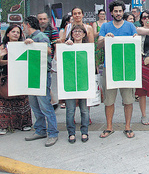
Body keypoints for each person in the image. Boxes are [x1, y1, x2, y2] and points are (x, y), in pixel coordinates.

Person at [97, 0, 138, 139]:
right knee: (109, 101)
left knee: (128, 100)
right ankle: (109, 127)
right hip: (110, 68)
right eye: (116, 11)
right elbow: (98, 45)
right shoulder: (105, 26)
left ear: (123, 12)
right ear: (111, 12)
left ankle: (128, 127)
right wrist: (105, 39)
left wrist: (135, 39)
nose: (118, 13)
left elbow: (136, 43)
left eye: (120, 11)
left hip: (127, 69)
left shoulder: (131, 26)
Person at [23, 16, 59, 147]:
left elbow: (49, 51)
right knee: (35, 104)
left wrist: (33, 45)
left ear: (27, 25)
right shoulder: (31, 38)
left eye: (23, 26)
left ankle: (53, 133)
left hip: (42, 75)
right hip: (32, 75)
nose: (23, 29)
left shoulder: (41, 37)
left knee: (45, 105)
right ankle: (40, 130)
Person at [0, 25, 32, 135]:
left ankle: (24, 124)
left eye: (18, 32)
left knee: (21, 100)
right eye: (13, 32)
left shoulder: (24, 45)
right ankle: (4, 126)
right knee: (4, 100)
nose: (15, 34)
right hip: (6, 77)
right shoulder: (3, 46)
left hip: (20, 77)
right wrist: (5, 58)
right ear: (8, 33)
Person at [64, 24, 90, 143]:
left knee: (84, 110)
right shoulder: (66, 47)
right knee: (70, 110)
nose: (78, 33)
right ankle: (71, 133)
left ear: (84, 34)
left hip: (83, 82)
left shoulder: (88, 48)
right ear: (71, 33)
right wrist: (66, 46)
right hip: (69, 82)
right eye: (75, 31)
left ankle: (84, 132)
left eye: (80, 31)